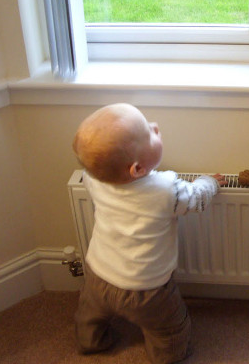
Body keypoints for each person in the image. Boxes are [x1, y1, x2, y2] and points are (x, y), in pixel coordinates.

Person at [72, 103, 226, 363]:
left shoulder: (94, 179)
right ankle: (170, 356)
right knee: (169, 328)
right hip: (148, 290)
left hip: (98, 275)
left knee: (90, 315)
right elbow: (196, 198)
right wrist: (208, 182)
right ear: (137, 169)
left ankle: (91, 341)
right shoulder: (166, 191)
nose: (155, 126)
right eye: (148, 132)